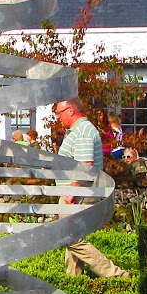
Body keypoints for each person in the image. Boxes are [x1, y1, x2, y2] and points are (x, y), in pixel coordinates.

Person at [53, 97, 129, 279]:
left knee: (68, 236)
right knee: (72, 237)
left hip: (79, 193)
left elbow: (85, 166)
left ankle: (115, 274)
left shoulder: (84, 131)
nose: (58, 118)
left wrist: (71, 194)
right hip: (76, 192)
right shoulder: (77, 131)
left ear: (70, 110)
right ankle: (74, 279)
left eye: (59, 113)